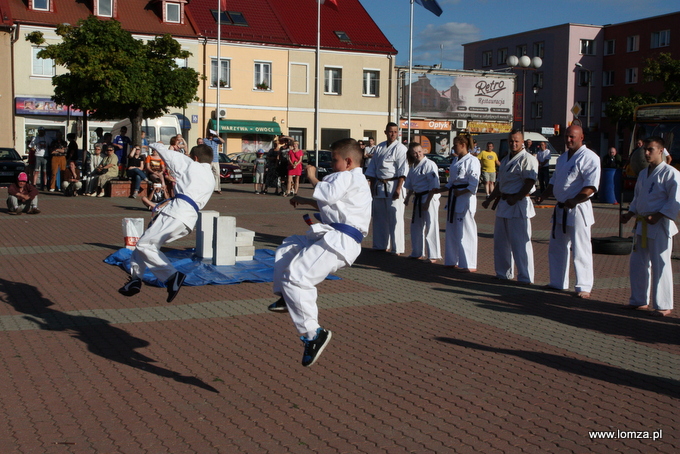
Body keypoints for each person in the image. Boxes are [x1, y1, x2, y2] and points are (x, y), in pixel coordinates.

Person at [267, 138, 371, 367]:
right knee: (289, 246)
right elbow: (333, 203)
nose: (332, 164)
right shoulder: (353, 180)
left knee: (297, 277)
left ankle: (313, 334)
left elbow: (329, 195)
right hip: (335, 236)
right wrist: (304, 199)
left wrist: (312, 177)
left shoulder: (348, 176)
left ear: (349, 161)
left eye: (335, 160)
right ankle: (286, 297)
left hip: (341, 240)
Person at [119, 143, 215, 303]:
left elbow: (170, 156)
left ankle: (172, 276)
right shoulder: (210, 176)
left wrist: (154, 144)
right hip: (188, 220)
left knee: (144, 245)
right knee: (147, 244)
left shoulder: (192, 166)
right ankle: (136, 279)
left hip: (176, 212)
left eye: (191, 157)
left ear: (195, 158)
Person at [536, 125, 600, 298]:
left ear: (581, 137)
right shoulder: (563, 158)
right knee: (557, 247)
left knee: (581, 248)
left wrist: (575, 199)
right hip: (561, 207)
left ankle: (584, 286)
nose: (569, 140)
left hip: (578, 207)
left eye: (572, 137)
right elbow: (554, 181)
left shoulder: (589, 157)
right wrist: (543, 195)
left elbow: (591, 185)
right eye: (567, 136)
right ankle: (557, 282)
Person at [620, 137, 680, 317]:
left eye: (650, 150)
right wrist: (630, 213)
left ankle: (663, 305)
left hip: (660, 225)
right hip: (642, 224)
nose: (646, 153)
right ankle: (639, 300)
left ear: (661, 151)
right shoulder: (643, 174)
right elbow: (638, 198)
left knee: (661, 264)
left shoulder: (671, 173)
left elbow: (674, 200)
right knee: (638, 263)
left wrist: (659, 215)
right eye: (645, 149)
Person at [482, 130, 537, 284]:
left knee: (520, 243)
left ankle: (525, 277)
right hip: (504, 203)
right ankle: (503, 273)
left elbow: (530, 182)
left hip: (518, 204)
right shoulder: (506, 160)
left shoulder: (527, 159)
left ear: (523, 142)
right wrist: (490, 199)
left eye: (517, 141)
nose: (514, 144)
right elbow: (501, 184)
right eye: (511, 141)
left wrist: (517, 197)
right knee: (501, 242)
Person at [433, 134, 480, 271]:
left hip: (465, 198)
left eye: (455, 145)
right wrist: (440, 189)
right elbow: (451, 182)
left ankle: (469, 263)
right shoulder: (455, 161)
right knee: (452, 231)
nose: (453, 147)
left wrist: (462, 192)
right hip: (454, 196)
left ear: (463, 145)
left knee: (466, 231)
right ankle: (452, 260)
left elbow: (474, 184)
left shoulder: (472, 161)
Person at [365, 122, 409, 255]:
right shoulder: (379, 147)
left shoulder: (401, 148)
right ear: (385, 132)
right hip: (379, 185)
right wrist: (371, 187)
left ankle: (397, 248)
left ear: (398, 133)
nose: (393, 134)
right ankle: (380, 245)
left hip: (394, 185)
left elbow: (403, 170)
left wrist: (399, 188)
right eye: (390, 131)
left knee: (395, 217)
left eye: (395, 132)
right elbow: (372, 169)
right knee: (379, 217)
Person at [404, 142, 441, 263]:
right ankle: (417, 252)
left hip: (429, 197)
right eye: (414, 152)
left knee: (431, 226)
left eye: (419, 151)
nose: (417, 154)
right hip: (418, 197)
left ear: (423, 151)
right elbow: (410, 185)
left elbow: (434, 186)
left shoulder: (430, 164)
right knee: (416, 226)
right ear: (411, 154)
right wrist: (407, 197)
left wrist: (428, 202)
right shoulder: (413, 166)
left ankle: (433, 255)